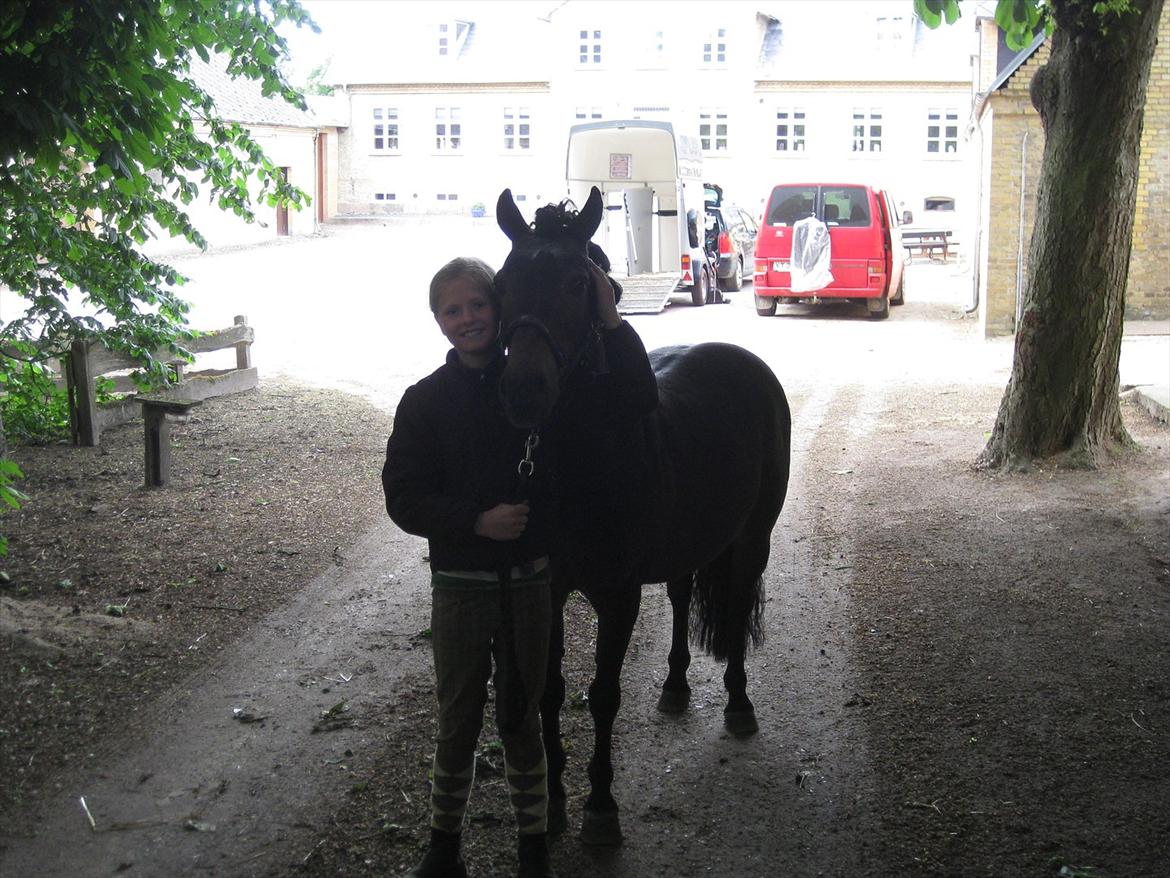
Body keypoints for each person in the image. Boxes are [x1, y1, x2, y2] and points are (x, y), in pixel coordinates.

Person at [382, 254, 654, 878]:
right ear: (438, 321)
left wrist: (610, 315)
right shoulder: (424, 402)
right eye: (454, 310)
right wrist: (475, 520)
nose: (468, 319)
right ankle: (442, 850)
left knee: (522, 714)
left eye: (479, 306)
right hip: (460, 586)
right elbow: (404, 495)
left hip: (529, 583)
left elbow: (638, 395)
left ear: (500, 310)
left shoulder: (539, 390)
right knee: (456, 720)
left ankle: (534, 846)